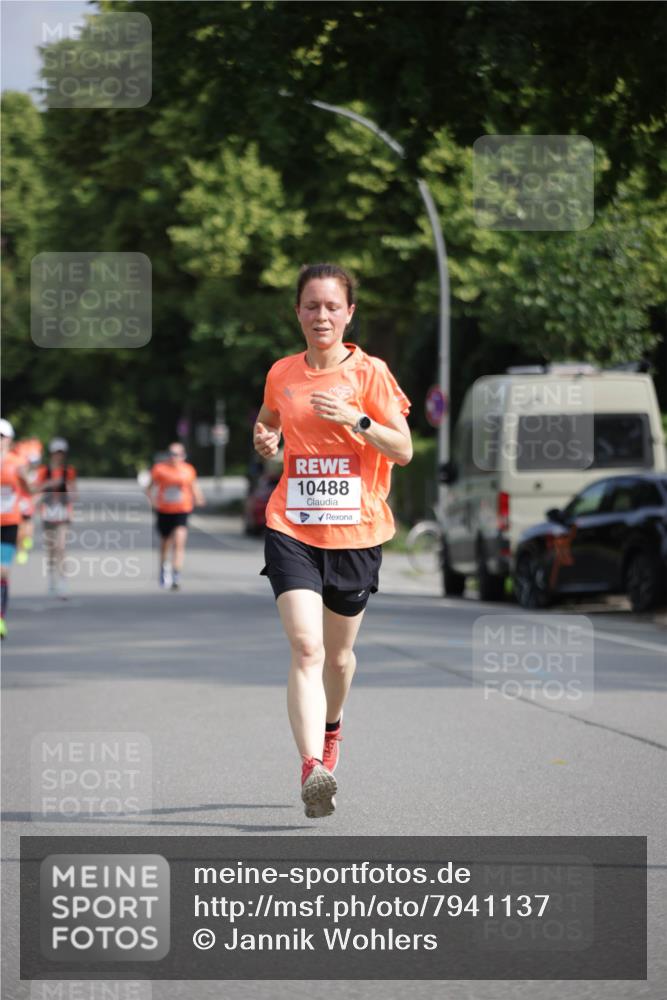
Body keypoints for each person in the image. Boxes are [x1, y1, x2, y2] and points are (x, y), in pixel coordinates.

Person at [254, 263, 412, 818]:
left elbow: (403, 449)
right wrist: (265, 437)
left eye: (331, 306)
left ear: (349, 313)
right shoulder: (282, 372)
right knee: (306, 648)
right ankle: (310, 768)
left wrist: (357, 420)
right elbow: (271, 418)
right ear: (297, 311)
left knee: (339, 659)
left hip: (355, 531)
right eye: (311, 305)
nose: (321, 315)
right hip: (291, 525)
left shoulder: (371, 374)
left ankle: (331, 729)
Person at [146, 443, 205, 590]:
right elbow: (149, 487)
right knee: (165, 542)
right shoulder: (159, 469)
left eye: (177, 454)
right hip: (164, 510)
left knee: (179, 541)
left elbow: (193, 486)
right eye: (172, 453)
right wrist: (151, 501)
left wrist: (199, 497)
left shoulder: (188, 470)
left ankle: (176, 573)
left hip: (182, 510)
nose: (174, 457)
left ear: (183, 455)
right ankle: (163, 568)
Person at [1, 421, 41, 636]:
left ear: (10, 440)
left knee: (2, 571)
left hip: (9, 523)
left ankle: (0, 618)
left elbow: (29, 488)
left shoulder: (17, 463)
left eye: (2, 436)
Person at [34, 438, 78, 598]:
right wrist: (50, 484)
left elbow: (75, 494)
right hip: (48, 513)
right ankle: (52, 578)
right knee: (51, 548)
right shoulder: (43, 471)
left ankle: (63, 582)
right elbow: (35, 489)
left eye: (62, 453)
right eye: (56, 453)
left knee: (61, 547)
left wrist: (68, 488)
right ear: (51, 454)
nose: (59, 456)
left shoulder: (69, 471)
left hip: (63, 513)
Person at [14, 437, 43, 564]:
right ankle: (21, 549)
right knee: (21, 525)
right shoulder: (22, 470)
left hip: (30, 500)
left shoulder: (38, 473)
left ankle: (26, 541)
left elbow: (40, 488)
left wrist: (36, 498)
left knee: (28, 522)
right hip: (21, 500)